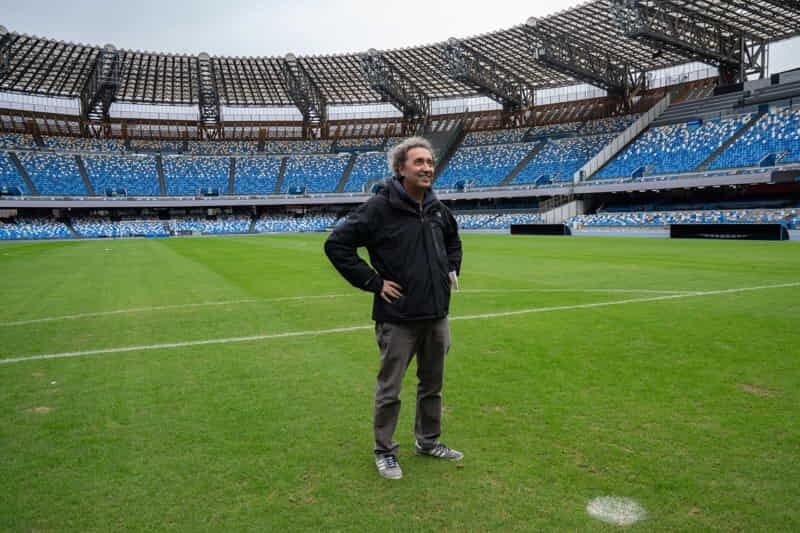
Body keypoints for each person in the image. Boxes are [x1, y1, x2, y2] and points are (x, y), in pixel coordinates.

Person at [324, 136, 463, 480]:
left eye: (430, 162)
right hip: (398, 318)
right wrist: (374, 282)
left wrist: (451, 269)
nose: (427, 168)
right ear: (401, 169)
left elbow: (452, 240)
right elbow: (337, 245)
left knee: (432, 385)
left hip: (436, 315)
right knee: (390, 389)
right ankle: (384, 451)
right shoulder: (378, 207)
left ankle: (428, 442)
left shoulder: (436, 208)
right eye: (419, 162)